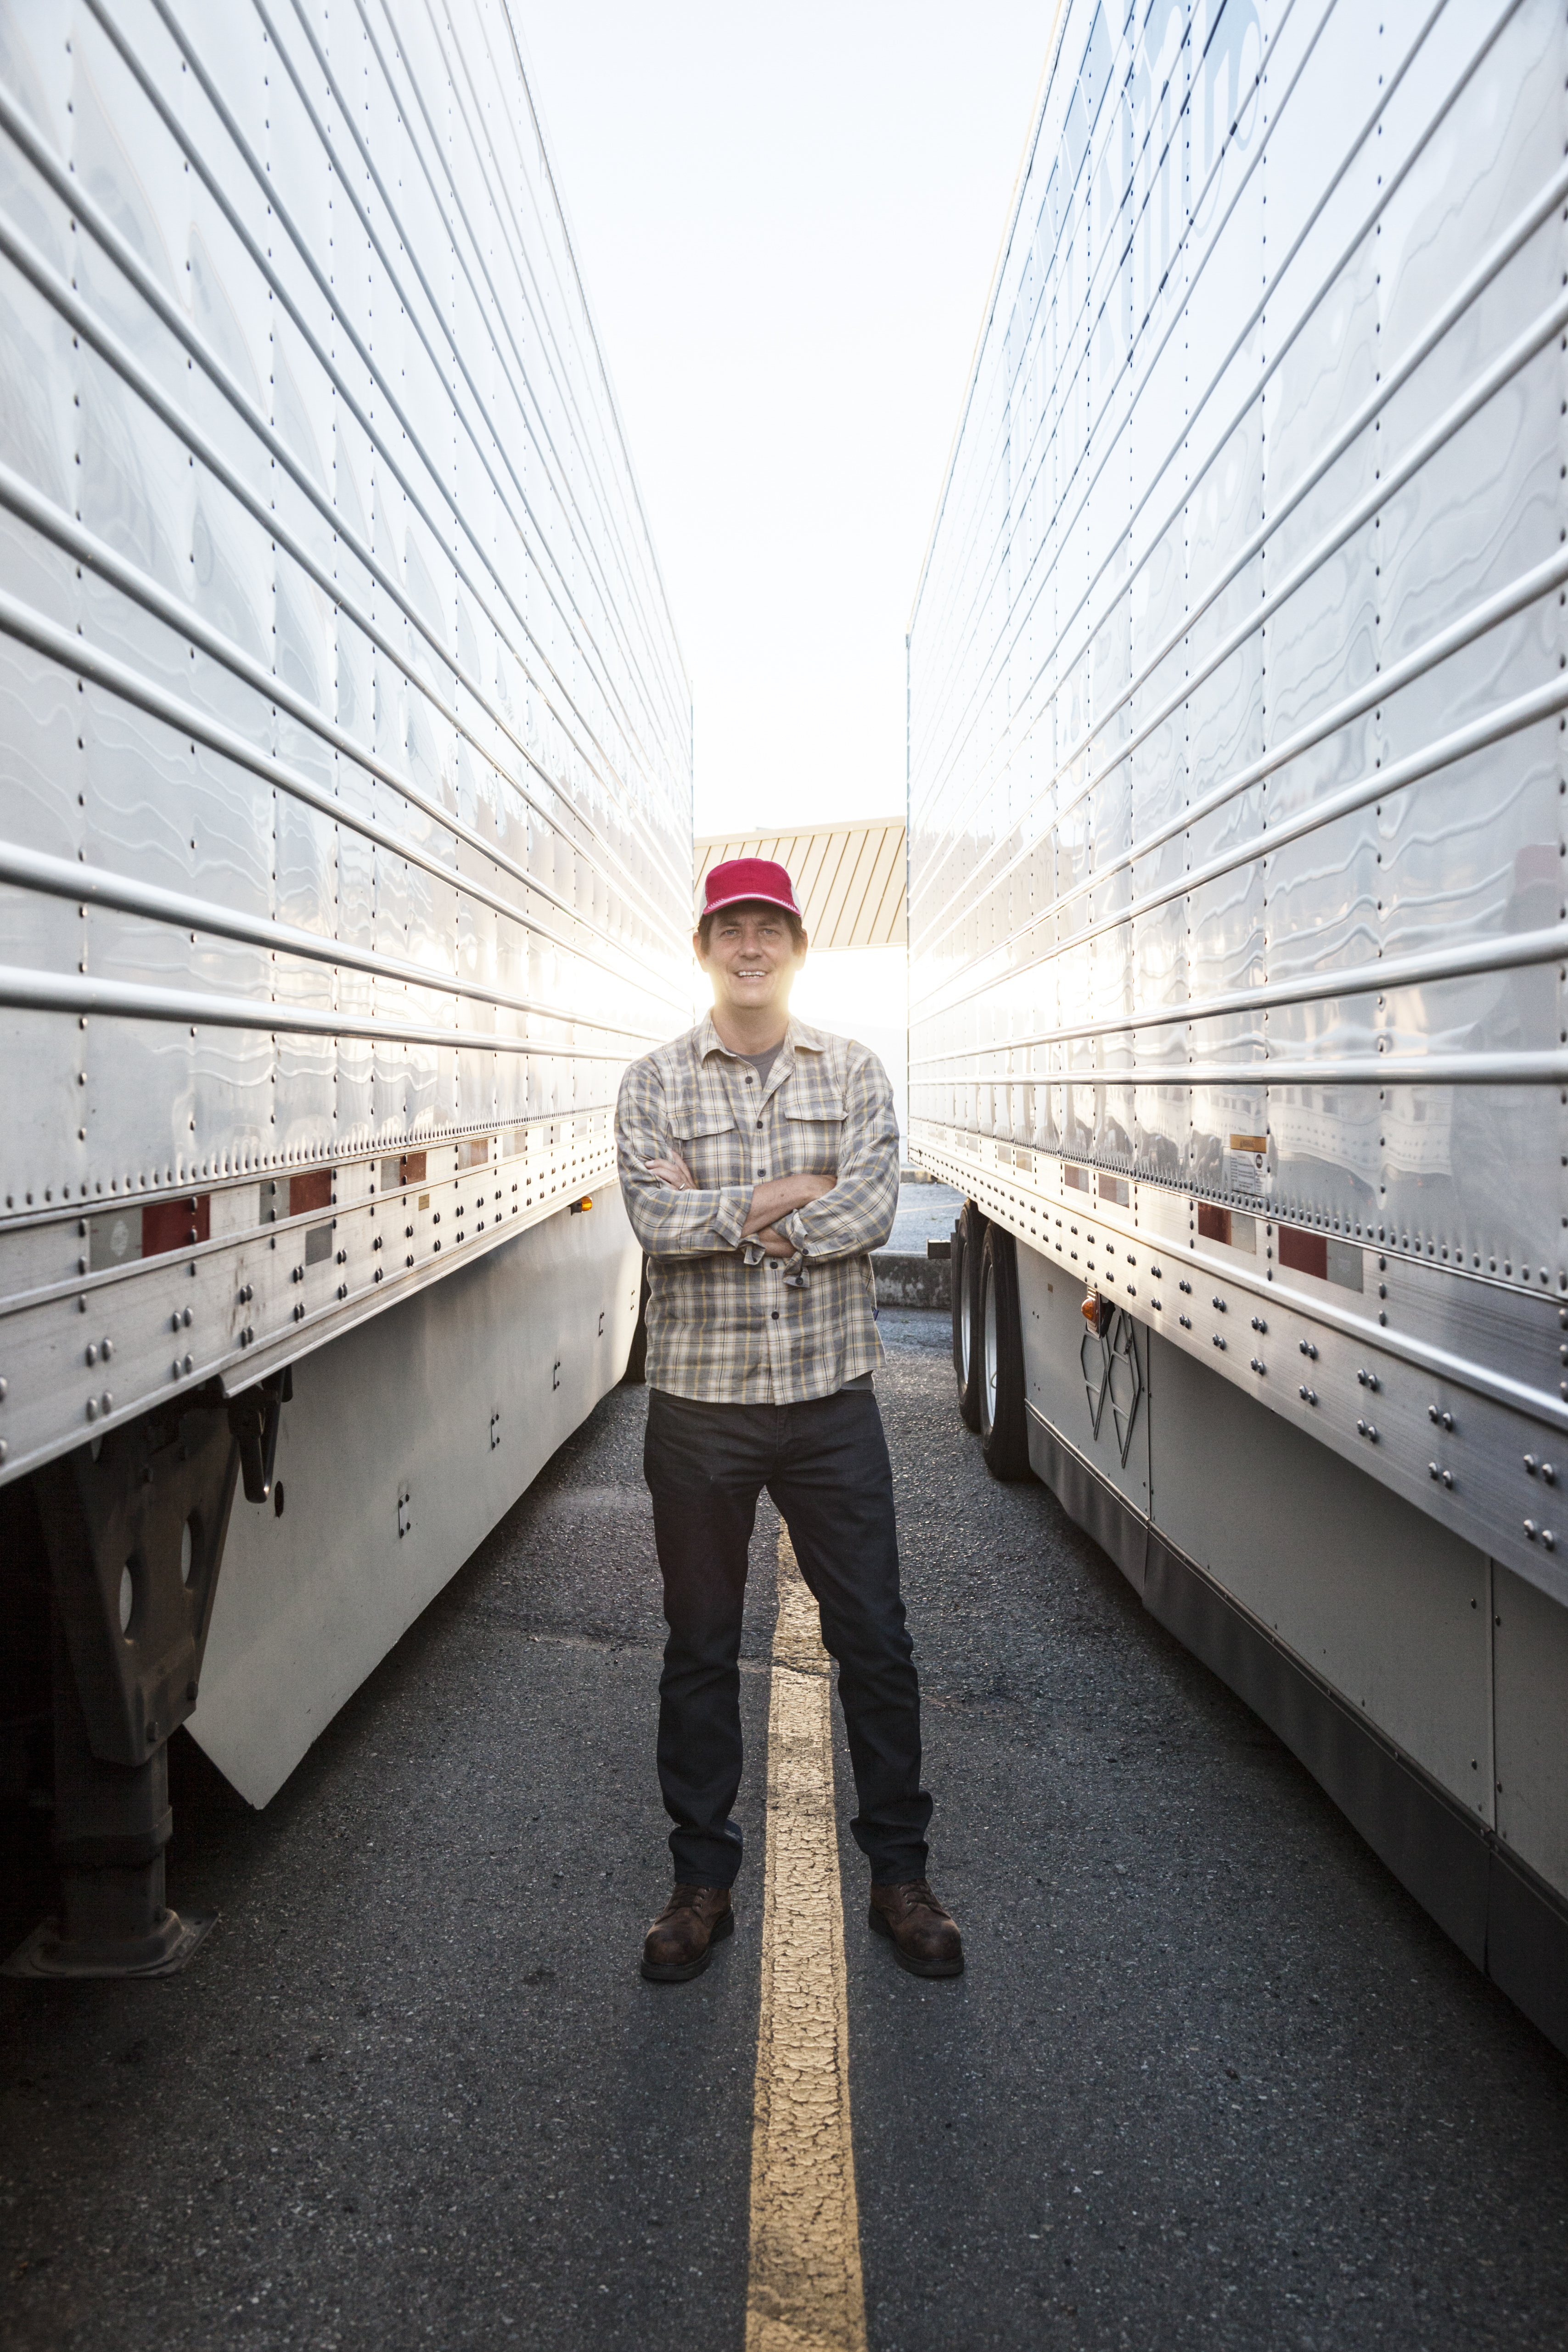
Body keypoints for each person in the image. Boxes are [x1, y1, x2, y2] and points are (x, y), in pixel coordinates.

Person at [614, 854, 963, 1984]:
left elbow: (869, 1203)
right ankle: (700, 1886)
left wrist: (726, 1212)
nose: (750, 946)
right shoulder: (653, 1081)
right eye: (731, 928)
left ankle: (900, 1879)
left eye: (770, 928)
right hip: (701, 1408)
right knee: (700, 1650)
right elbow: (652, 1223)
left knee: (875, 1640)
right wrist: (784, 1199)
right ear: (705, 945)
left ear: (797, 948)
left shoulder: (855, 1070)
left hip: (828, 1406)